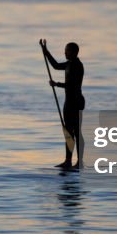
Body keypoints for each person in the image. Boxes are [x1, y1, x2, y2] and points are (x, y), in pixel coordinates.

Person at [40, 39, 85, 169]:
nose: (65, 53)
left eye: (67, 51)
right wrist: (46, 52)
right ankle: (67, 161)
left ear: (74, 52)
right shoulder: (69, 64)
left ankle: (80, 162)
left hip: (77, 103)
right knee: (68, 133)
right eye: (65, 51)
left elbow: (72, 85)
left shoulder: (77, 66)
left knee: (76, 133)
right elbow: (55, 66)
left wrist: (56, 84)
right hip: (68, 103)